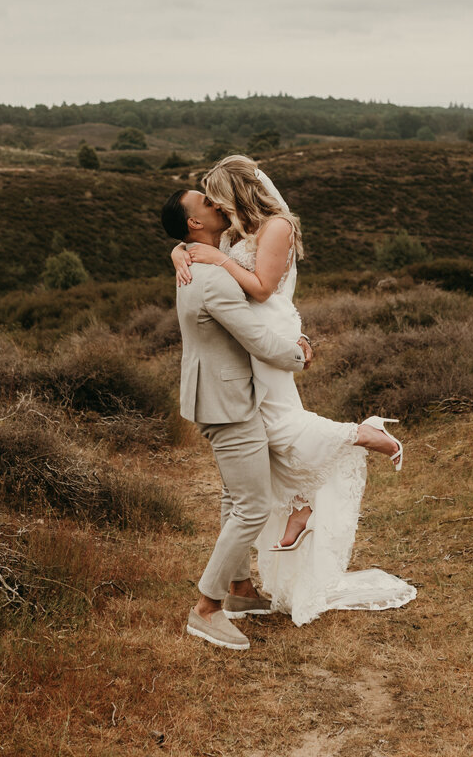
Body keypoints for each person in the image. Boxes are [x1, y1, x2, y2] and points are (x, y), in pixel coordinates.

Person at [166, 156, 416, 627]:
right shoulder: (233, 234)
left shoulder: (266, 230)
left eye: (216, 193)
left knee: (279, 431)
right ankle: (252, 566)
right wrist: (179, 251)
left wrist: (296, 350)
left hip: (266, 337)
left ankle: (353, 443)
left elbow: (259, 289)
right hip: (243, 362)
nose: (214, 202)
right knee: (252, 473)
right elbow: (194, 243)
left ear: (236, 194)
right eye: (207, 200)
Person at [161, 186, 314, 651]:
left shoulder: (196, 256)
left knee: (235, 497)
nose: (216, 203)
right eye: (206, 202)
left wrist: (178, 250)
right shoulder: (212, 277)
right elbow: (258, 341)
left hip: (212, 395)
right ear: (194, 223)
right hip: (228, 404)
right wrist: (299, 354)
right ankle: (206, 609)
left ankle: (240, 591)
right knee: (252, 504)